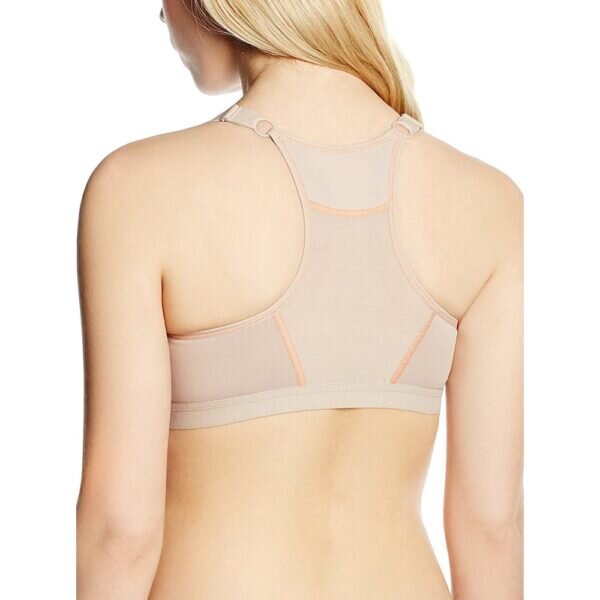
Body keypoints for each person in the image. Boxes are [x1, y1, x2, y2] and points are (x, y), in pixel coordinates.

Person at [75, 1, 524, 598]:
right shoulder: (489, 202)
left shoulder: (138, 189)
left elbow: (120, 532)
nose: (159, 13)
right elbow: (491, 527)